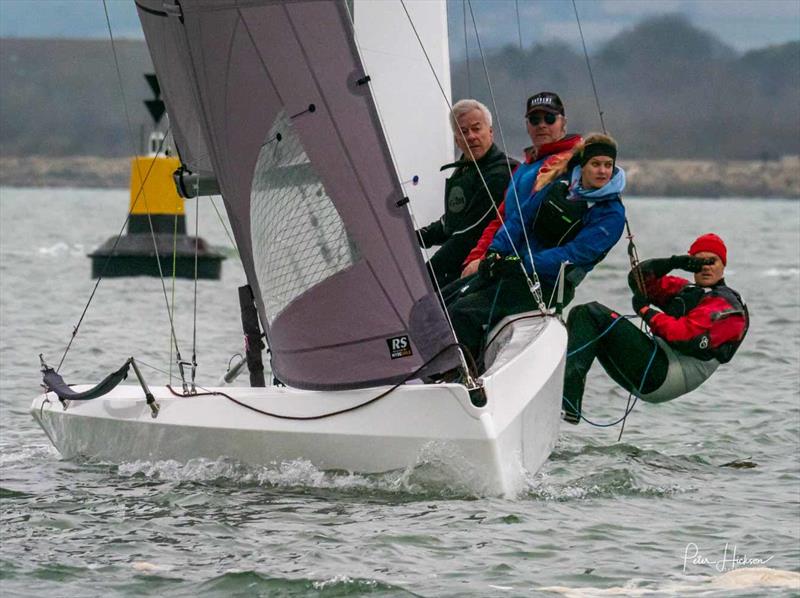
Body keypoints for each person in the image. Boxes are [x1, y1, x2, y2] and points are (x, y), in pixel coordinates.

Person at [445, 125, 627, 362]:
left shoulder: (611, 214)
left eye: (608, 165)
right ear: (583, 165)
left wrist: (522, 264)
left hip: (546, 285)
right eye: (596, 164)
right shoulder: (560, 186)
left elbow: (575, 253)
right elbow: (521, 219)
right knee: (444, 301)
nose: (603, 171)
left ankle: (459, 377)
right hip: (511, 269)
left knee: (463, 314)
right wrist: (496, 252)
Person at [562, 233, 749, 424]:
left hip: (666, 375)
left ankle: (567, 398)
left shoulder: (728, 306)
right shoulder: (688, 291)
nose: (706, 267)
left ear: (723, 265)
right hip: (656, 364)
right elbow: (638, 280)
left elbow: (685, 336)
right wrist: (674, 262)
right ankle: (565, 402)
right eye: (699, 262)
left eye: (712, 261)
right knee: (580, 314)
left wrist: (646, 312)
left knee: (592, 313)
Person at [416, 100, 516, 287]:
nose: (471, 136)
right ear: (456, 140)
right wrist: (415, 237)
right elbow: (453, 222)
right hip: (456, 266)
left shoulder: (500, 174)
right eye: (463, 131)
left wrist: (424, 276)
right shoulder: (465, 170)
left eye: (477, 129)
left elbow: (468, 233)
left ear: (491, 132)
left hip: (482, 268)